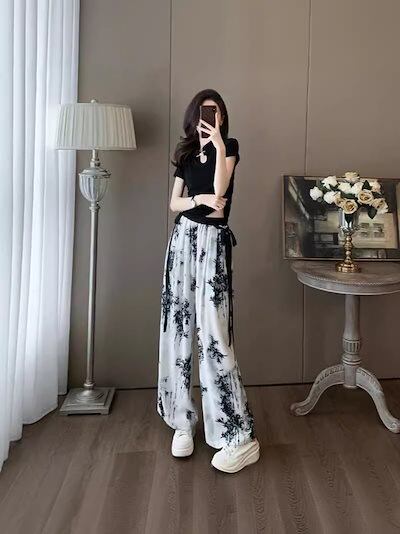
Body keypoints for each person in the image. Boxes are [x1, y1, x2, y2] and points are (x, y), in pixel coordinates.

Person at [157, 88, 260, 473]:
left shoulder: (228, 147)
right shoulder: (185, 153)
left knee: (214, 334)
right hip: (182, 240)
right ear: (193, 114)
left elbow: (220, 191)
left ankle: (239, 436)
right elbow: (175, 203)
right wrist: (199, 201)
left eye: (216, 111)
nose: (210, 116)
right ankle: (181, 421)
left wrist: (216, 143)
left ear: (223, 117)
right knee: (178, 326)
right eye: (204, 111)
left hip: (213, 243)